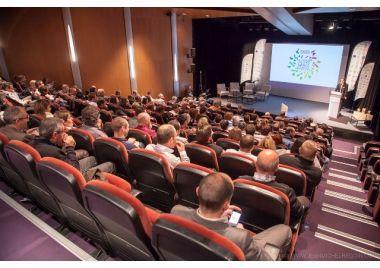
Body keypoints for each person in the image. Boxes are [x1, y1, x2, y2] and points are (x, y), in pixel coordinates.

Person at [171, 172, 292, 261]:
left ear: (197, 191)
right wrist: (240, 232)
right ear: (226, 204)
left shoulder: (176, 212)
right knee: (284, 229)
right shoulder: (241, 237)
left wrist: (221, 217)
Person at [29, 118, 114, 179]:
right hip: (69, 179)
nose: (66, 133)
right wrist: (70, 147)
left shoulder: (33, 142)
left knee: (92, 159)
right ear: (55, 135)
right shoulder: (54, 152)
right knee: (110, 164)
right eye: (63, 131)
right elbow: (75, 170)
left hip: (52, 172)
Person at [249, 149, 310, 224]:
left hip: (245, 221)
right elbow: (298, 212)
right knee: (305, 200)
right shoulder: (286, 191)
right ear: (277, 168)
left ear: (255, 164)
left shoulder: (240, 180)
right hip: (274, 228)